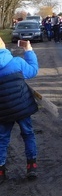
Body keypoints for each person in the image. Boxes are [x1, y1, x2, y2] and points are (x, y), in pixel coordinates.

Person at [0, 37, 40, 183]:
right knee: (28, 134)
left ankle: (1, 170)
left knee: (2, 139)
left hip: (3, 110)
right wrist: (28, 50)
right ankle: (31, 166)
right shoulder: (16, 62)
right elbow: (33, 71)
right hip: (22, 107)